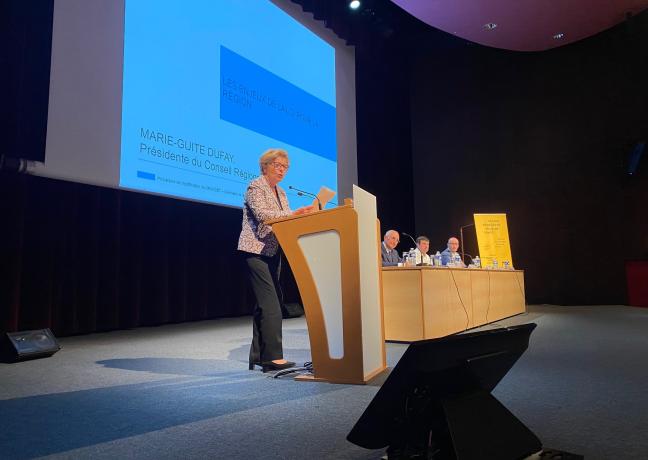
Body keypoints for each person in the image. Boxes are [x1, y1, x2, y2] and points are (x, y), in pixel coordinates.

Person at [238, 148, 315, 373]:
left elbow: (286, 220)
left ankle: (258, 355)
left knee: (267, 304)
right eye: (277, 165)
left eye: (285, 167)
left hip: (273, 252)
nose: (282, 170)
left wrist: (304, 217)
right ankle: (272, 357)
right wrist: (293, 215)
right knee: (271, 304)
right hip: (255, 251)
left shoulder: (281, 193)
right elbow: (264, 216)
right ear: (265, 166)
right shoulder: (256, 186)